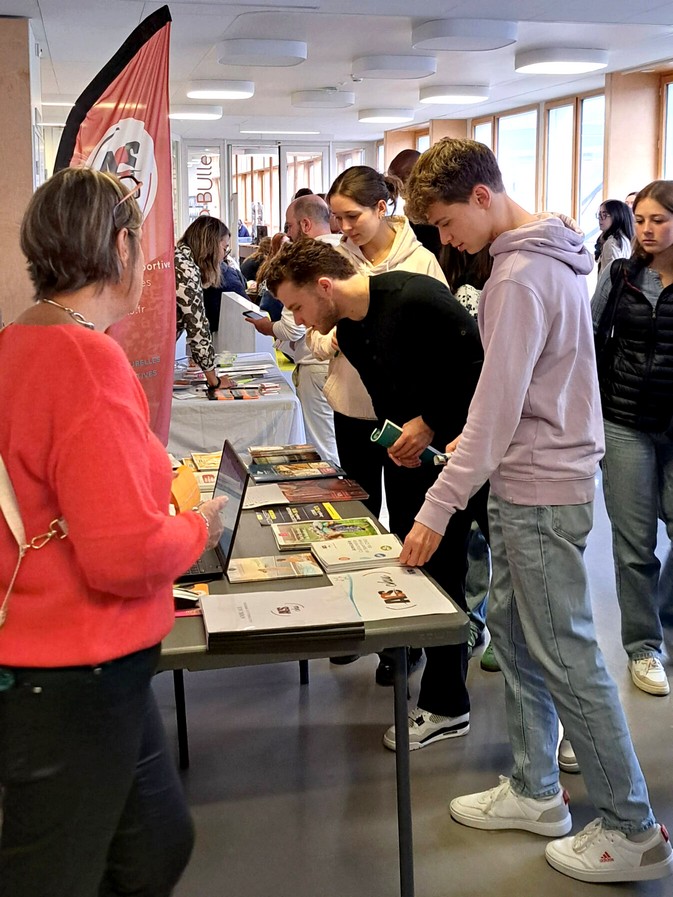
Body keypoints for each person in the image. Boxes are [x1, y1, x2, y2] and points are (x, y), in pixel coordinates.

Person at [400, 137, 672, 884]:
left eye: (447, 222)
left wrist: (436, 505)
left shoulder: (516, 276)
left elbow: (495, 416)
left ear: (482, 196)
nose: (445, 239)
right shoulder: (542, 258)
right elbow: (524, 391)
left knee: (569, 655)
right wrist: (475, 441)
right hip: (534, 478)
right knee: (519, 643)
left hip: (540, 491)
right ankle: (534, 787)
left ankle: (631, 827)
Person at [0, 167, 227, 896]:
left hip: (58, 656)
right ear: (122, 247)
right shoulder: (86, 357)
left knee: (156, 842)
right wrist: (198, 524)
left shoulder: (17, 341)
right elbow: (125, 555)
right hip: (74, 665)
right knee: (56, 871)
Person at [264, 239, 489, 752]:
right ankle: (446, 700)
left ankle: (478, 706)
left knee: (490, 578)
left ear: (324, 286)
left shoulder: (416, 297)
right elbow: (390, 398)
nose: (295, 320)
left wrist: (428, 424)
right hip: (421, 461)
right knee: (432, 572)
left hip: (474, 458)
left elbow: (479, 369)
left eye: (297, 306)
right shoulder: (349, 329)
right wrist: (400, 441)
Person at [315, 165, 447, 521]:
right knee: (359, 514)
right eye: (337, 218)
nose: (344, 227)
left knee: (410, 513)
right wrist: (339, 338)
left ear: (381, 207)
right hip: (352, 409)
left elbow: (444, 344)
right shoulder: (333, 261)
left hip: (409, 419)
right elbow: (314, 336)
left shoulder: (421, 262)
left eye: (352, 216)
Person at [592, 180, 673, 697]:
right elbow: (590, 334)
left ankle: (662, 608)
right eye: (640, 219)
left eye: (658, 220)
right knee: (633, 543)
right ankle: (644, 646)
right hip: (623, 423)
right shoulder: (621, 275)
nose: (646, 229)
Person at [247, 196, 340, 461]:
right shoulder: (350, 250)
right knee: (342, 442)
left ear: (306, 224)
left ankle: (330, 497)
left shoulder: (303, 262)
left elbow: (292, 328)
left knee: (324, 445)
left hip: (317, 362)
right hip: (343, 363)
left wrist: (269, 328)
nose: (287, 233)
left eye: (289, 227)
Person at [175, 215, 229, 388]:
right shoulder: (186, 268)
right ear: (212, 246)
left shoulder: (177, 257)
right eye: (224, 248)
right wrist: (215, 380)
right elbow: (197, 325)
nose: (224, 256)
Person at [595, 199, 634, 273]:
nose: (600, 219)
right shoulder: (625, 239)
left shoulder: (611, 243)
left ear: (617, 216)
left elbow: (611, 278)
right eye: (600, 215)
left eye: (604, 215)